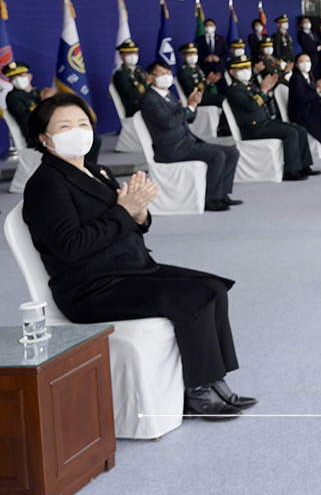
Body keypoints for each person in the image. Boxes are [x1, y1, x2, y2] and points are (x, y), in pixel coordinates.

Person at [23, 92, 254, 419]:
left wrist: (140, 213)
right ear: (43, 137)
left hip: (129, 269)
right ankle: (197, 392)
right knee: (194, 297)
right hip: (91, 288)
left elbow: (128, 223)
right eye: (64, 126)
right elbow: (70, 246)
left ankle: (216, 380)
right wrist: (123, 211)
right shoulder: (46, 184)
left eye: (82, 123)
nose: (77, 131)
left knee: (215, 287)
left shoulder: (96, 170)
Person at [141, 60, 240, 212]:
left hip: (188, 141)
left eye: (168, 73)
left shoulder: (169, 95)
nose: (166, 77)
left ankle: (222, 193)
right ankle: (210, 199)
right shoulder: (150, 100)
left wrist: (193, 105)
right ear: (150, 77)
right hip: (172, 149)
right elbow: (168, 123)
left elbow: (189, 119)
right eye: (161, 74)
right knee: (217, 156)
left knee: (232, 152)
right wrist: (189, 107)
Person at [225, 55, 314, 181]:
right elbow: (251, 105)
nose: (246, 70)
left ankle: (305, 165)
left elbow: (264, 101)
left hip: (265, 123)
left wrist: (267, 91)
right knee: (291, 133)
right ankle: (291, 170)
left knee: (300, 130)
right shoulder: (234, 90)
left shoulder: (250, 85)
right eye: (241, 68)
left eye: (247, 67)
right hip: (254, 128)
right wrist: (263, 90)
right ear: (232, 72)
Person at [287, 53, 321, 151]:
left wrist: (320, 91)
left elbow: (315, 97)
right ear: (296, 64)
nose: (305, 64)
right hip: (303, 112)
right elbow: (301, 98)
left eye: (307, 61)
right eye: (302, 61)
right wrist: (317, 90)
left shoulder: (309, 77)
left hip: (312, 108)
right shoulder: (296, 78)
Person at [4, 61, 56, 142]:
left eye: (21, 75)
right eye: (14, 77)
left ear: (29, 76)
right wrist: (45, 101)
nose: (18, 79)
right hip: (36, 137)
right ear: (10, 81)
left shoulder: (38, 92)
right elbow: (26, 118)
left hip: (52, 130)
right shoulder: (12, 97)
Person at [112, 39, 149, 116]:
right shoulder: (120, 74)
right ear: (121, 56)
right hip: (136, 109)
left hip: (147, 103)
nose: (133, 56)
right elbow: (131, 95)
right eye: (129, 53)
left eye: (134, 53)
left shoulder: (139, 70)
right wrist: (146, 82)